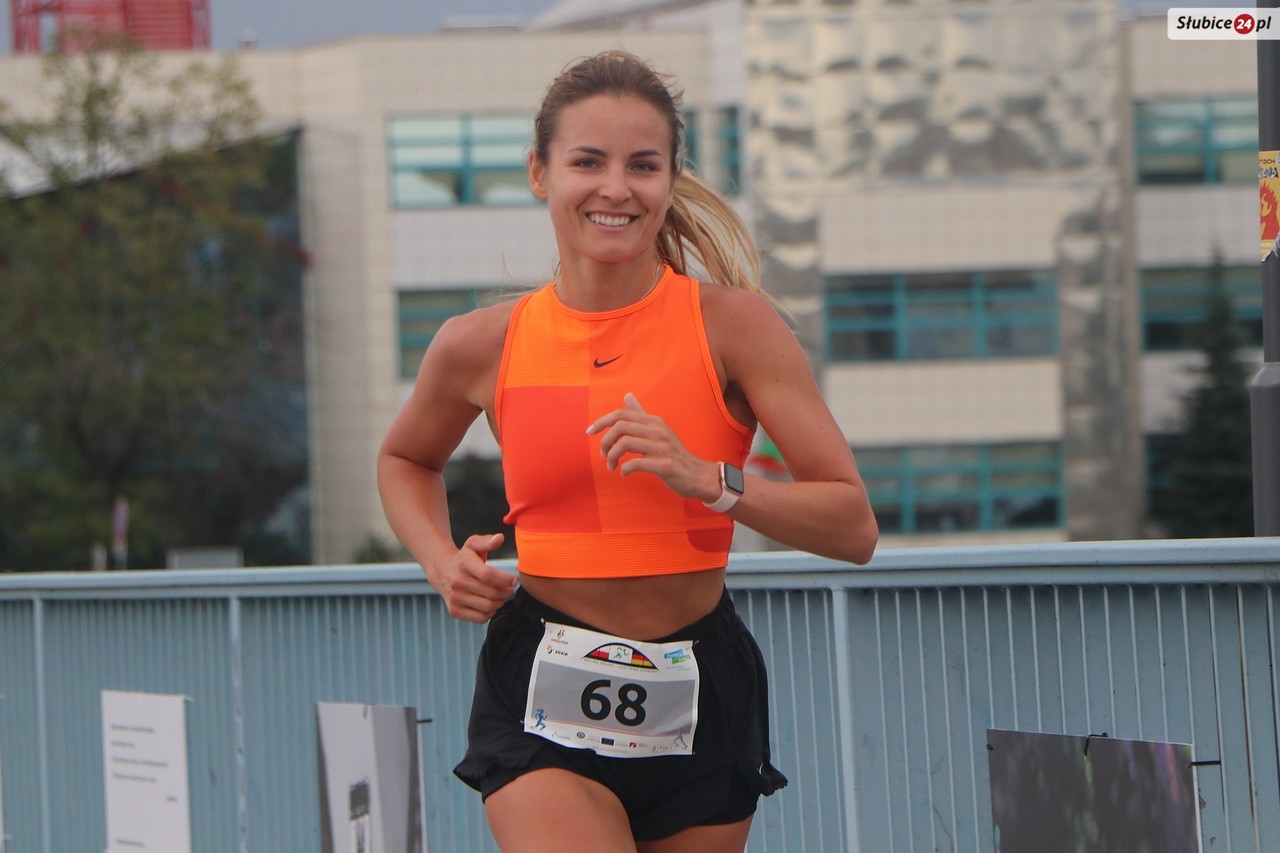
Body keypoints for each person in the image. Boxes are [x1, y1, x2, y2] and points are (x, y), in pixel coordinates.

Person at [377, 49, 878, 853]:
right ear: (539, 173)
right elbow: (405, 459)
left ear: (671, 181)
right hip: (541, 680)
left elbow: (853, 526)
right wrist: (441, 562)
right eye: (588, 162)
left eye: (643, 165)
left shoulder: (735, 327)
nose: (616, 188)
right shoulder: (480, 343)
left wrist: (710, 479)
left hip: (703, 680)